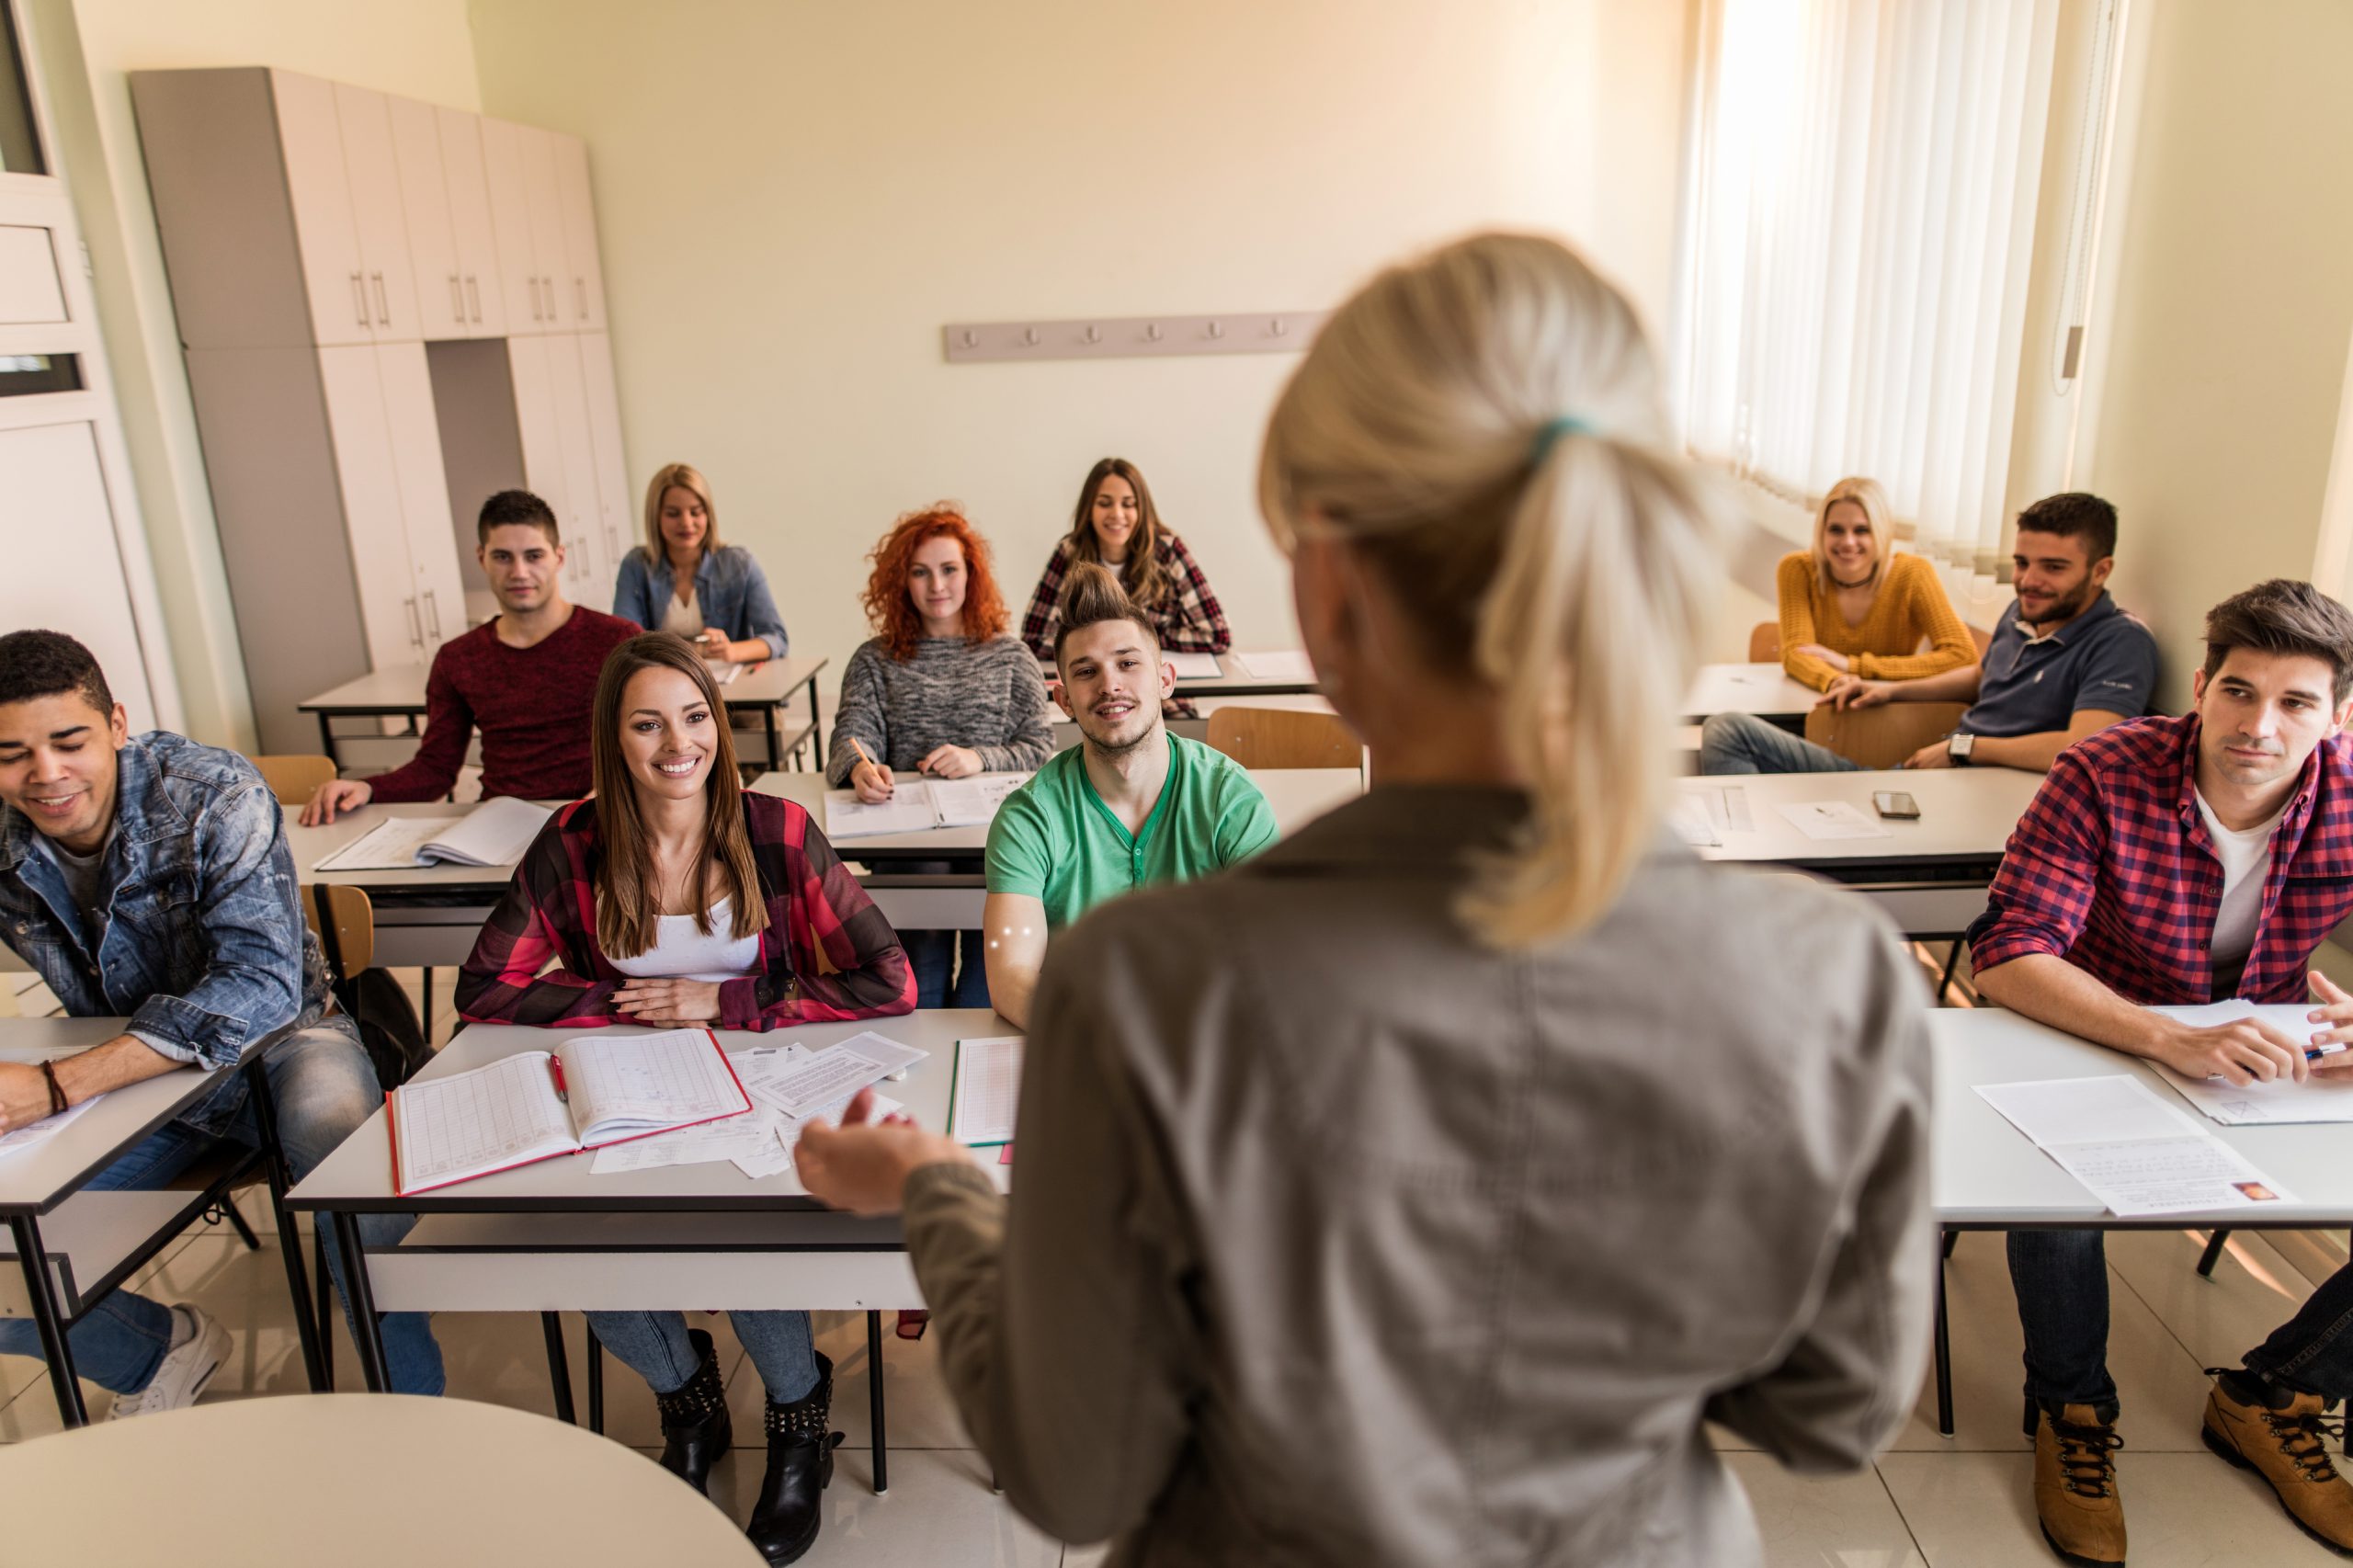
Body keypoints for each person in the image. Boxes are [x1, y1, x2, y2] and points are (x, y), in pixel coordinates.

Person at [793, 232, 1936, 1565]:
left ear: (1326, 590)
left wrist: (936, 1187)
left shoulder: (1154, 987)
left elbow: (1076, 1468)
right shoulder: (1839, 977)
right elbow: (1834, 1408)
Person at [454, 631, 913, 1565]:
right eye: (648, 723)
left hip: (761, 1086)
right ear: (614, 739)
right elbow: (484, 985)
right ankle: (688, 1398)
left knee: (736, 1234)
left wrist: (725, 1001)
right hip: (634, 1088)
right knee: (573, 1243)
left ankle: (796, 1419)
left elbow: (891, 980)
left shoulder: (775, 829)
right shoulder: (574, 840)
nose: (678, 744)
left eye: (695, 717)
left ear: (719, 723)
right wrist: (620, 1008)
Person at [1966, 579, 2353, 1564]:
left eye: (2295, 702)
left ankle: (2272, 1394)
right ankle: (2072, 1409)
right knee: (2047, 1199)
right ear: (2200, 683)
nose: (2257, 725)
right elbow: (2006, 951)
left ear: (2337, 715)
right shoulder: (2104, 768)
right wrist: (2163, 1034)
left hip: (2265, 1057)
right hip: (2090, 1028)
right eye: (2236, 689)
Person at [0, 631, 441, 1411]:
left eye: (69, 741)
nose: (45, 774)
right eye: (10, 755)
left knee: (337, 1127)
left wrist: (55, 1086)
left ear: (116, 724)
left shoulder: (211, 791)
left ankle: (409, 1405)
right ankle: (154, 1354)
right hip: (133, 1065)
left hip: (283, 1041)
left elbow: (260, 985)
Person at [982, 562, 1276, 1028]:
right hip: (1083, 1046)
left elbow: (1273, 958)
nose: (1109, 684)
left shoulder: (1230, 799)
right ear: (1064, 701)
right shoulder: (1028, 819)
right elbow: (1010, 976)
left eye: (1127, 662)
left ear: (1165, 680)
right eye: (1086, 671)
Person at [1700, 491, 2157, 774]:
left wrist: (1964, 749)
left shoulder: (2120, 642)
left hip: (1963, 791)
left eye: (2053, 568)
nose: (2029, 580)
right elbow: (1981, 677)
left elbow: (2080, 748)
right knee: (1727, 730)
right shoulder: (2024, 613)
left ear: (2100, 571)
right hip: (1922, 776)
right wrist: (1887, 690)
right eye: (2022, 563)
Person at [825, 506, 1053, 1007]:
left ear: (971, 574)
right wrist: (860, 768)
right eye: (920, 572)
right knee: (920, 974)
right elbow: (851, 736)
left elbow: (1040, 749)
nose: (937, 585)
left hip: (998, 841)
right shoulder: (874, 658)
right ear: (900, 581)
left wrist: (980, 758)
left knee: (986, 982)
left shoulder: (1011, 657)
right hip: (912, 844)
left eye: (949, 569)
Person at [302, 490, 639, 824]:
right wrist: (366, 788)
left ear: (559, 557)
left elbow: (654, 740)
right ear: (482, 558)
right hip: (501, 823)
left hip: (597, 818)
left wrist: (614, 793)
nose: (519, 572)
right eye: (503, 557)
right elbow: (436, 769)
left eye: (534, 556)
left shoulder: (618, 640)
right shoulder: (458, 659)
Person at [1018, 458, 1229, 716]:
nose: (1117, 514)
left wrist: (1144, 638)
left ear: (1142, 509)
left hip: (1159, 698)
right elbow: (1033, 637)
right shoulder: (1070, 553)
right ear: (1089, 508)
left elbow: (1217, 634)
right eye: (1104, 503)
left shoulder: (1168, 551)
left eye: (1128, 504)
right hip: (1099, 694)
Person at [1768, 476, 1977, 691]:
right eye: (1836, 530)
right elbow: (1797, 654)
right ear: (1821, 531)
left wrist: (1854, 666)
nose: (1848, 542)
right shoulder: (1797, 569)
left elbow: (1962, 655)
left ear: (1881, 532)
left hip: (1888, 708)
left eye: (1862, 530)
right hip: (1820, 702)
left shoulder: (1913, 574)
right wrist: (1836, 681)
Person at [612, 462, 790, 665]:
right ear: (656, 517)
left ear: (708, 514)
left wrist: (732, 651)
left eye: (696, 512)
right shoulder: (636, 566)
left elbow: (777, 638)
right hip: (664, 683)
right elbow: (624, 644)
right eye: (673, 513)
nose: (687, 523)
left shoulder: (740, 564)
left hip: (730, 686)